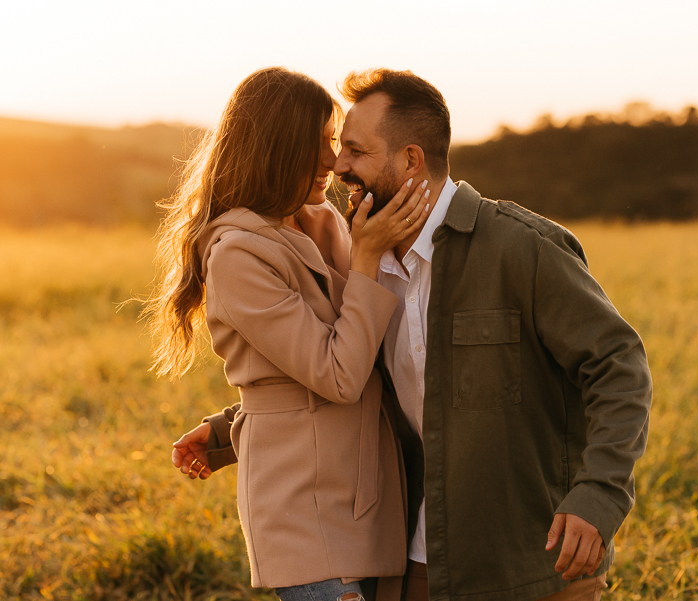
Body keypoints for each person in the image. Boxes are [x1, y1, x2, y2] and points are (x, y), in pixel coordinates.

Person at [176, 68, 652, 601]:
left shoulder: (520, 248)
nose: (338, 165)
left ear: (410, 160)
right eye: (336, 146)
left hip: (531, 563)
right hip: (417, 557)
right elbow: (346, 369)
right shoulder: (368, 264)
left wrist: (599, 494)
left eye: (355, 150)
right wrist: (230, 430)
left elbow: (620, 366)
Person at [150, 66, 433, 601]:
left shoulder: (322, 224)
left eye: (334, 140)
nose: (333, 160)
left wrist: (225, 430)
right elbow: (340, 375)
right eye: (318, 143)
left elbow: (327, 362)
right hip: (307, 516)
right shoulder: (238, 255)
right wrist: (367, 257)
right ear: (276, 148)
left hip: (367, 499)